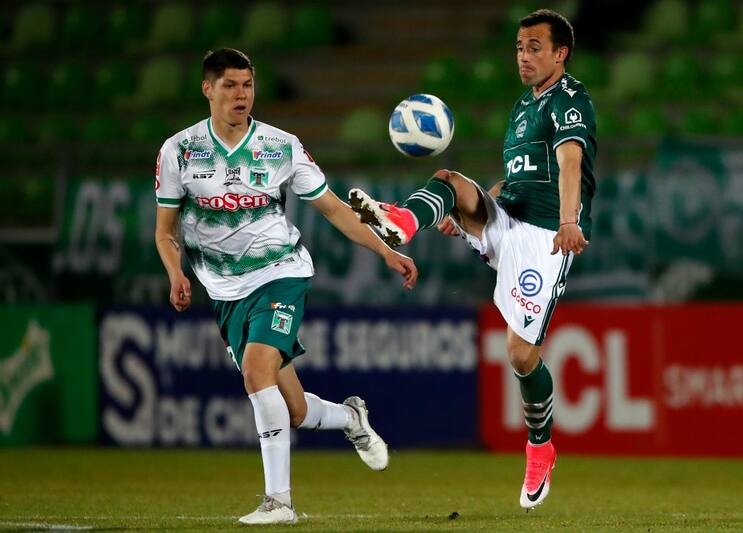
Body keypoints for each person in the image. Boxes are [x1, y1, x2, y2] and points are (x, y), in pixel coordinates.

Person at [154, 48, 418, 525]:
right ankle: (350, 418)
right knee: (293, 409)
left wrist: (386, 250)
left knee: (256, 373)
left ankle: (279, 503)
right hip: (224, 290)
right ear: (207, 89)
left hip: (282, 271)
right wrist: (176, 272)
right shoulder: (179, 151)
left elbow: (335, 209)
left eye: (247, 84)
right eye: (230, 85)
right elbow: (165, 230)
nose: (241, 94)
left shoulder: (281, 146)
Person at [348, 9, 595, 511]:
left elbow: (570, 160)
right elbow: (515, 181)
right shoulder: (521, 108)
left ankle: (541, 447)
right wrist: (469, 211)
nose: (523, 57)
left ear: (560, 53)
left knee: (521, 355)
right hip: (510, 219)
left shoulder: (571, 99)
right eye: (519, 48)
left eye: (534, 48)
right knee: (450, 181)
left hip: (547, 234)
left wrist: (570, 221)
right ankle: (405, 222)